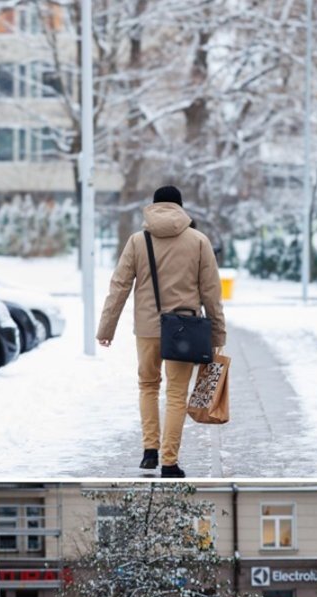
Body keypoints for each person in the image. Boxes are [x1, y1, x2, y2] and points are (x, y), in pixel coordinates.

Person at [97, 185, 227, 478]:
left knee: (148, 386)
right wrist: (217, 335)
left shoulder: (137, 242)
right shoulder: (198, 241)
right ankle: (169, 461)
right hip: (185, 330)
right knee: (177, 394)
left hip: (146, 330)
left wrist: (107, 328)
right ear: (180, 208)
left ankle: (149, 451)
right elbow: (211, 293)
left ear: (154, 207)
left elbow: (119, 286)